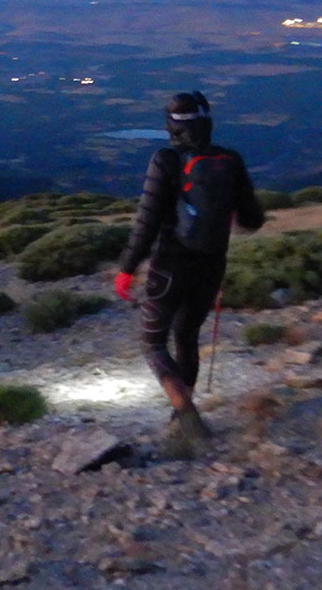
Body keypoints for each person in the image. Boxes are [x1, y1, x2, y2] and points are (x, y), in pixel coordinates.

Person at [113, 91, 266, 455]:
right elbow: (253, 219)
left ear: (171, 126)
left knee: (152, 342)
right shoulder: (230, 160)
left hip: (169, 265)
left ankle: (188, 416)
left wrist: (126, 269)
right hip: (211, 266)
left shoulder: (165, 159)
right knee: (187, 337)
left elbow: (146, 223)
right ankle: (182, 414)